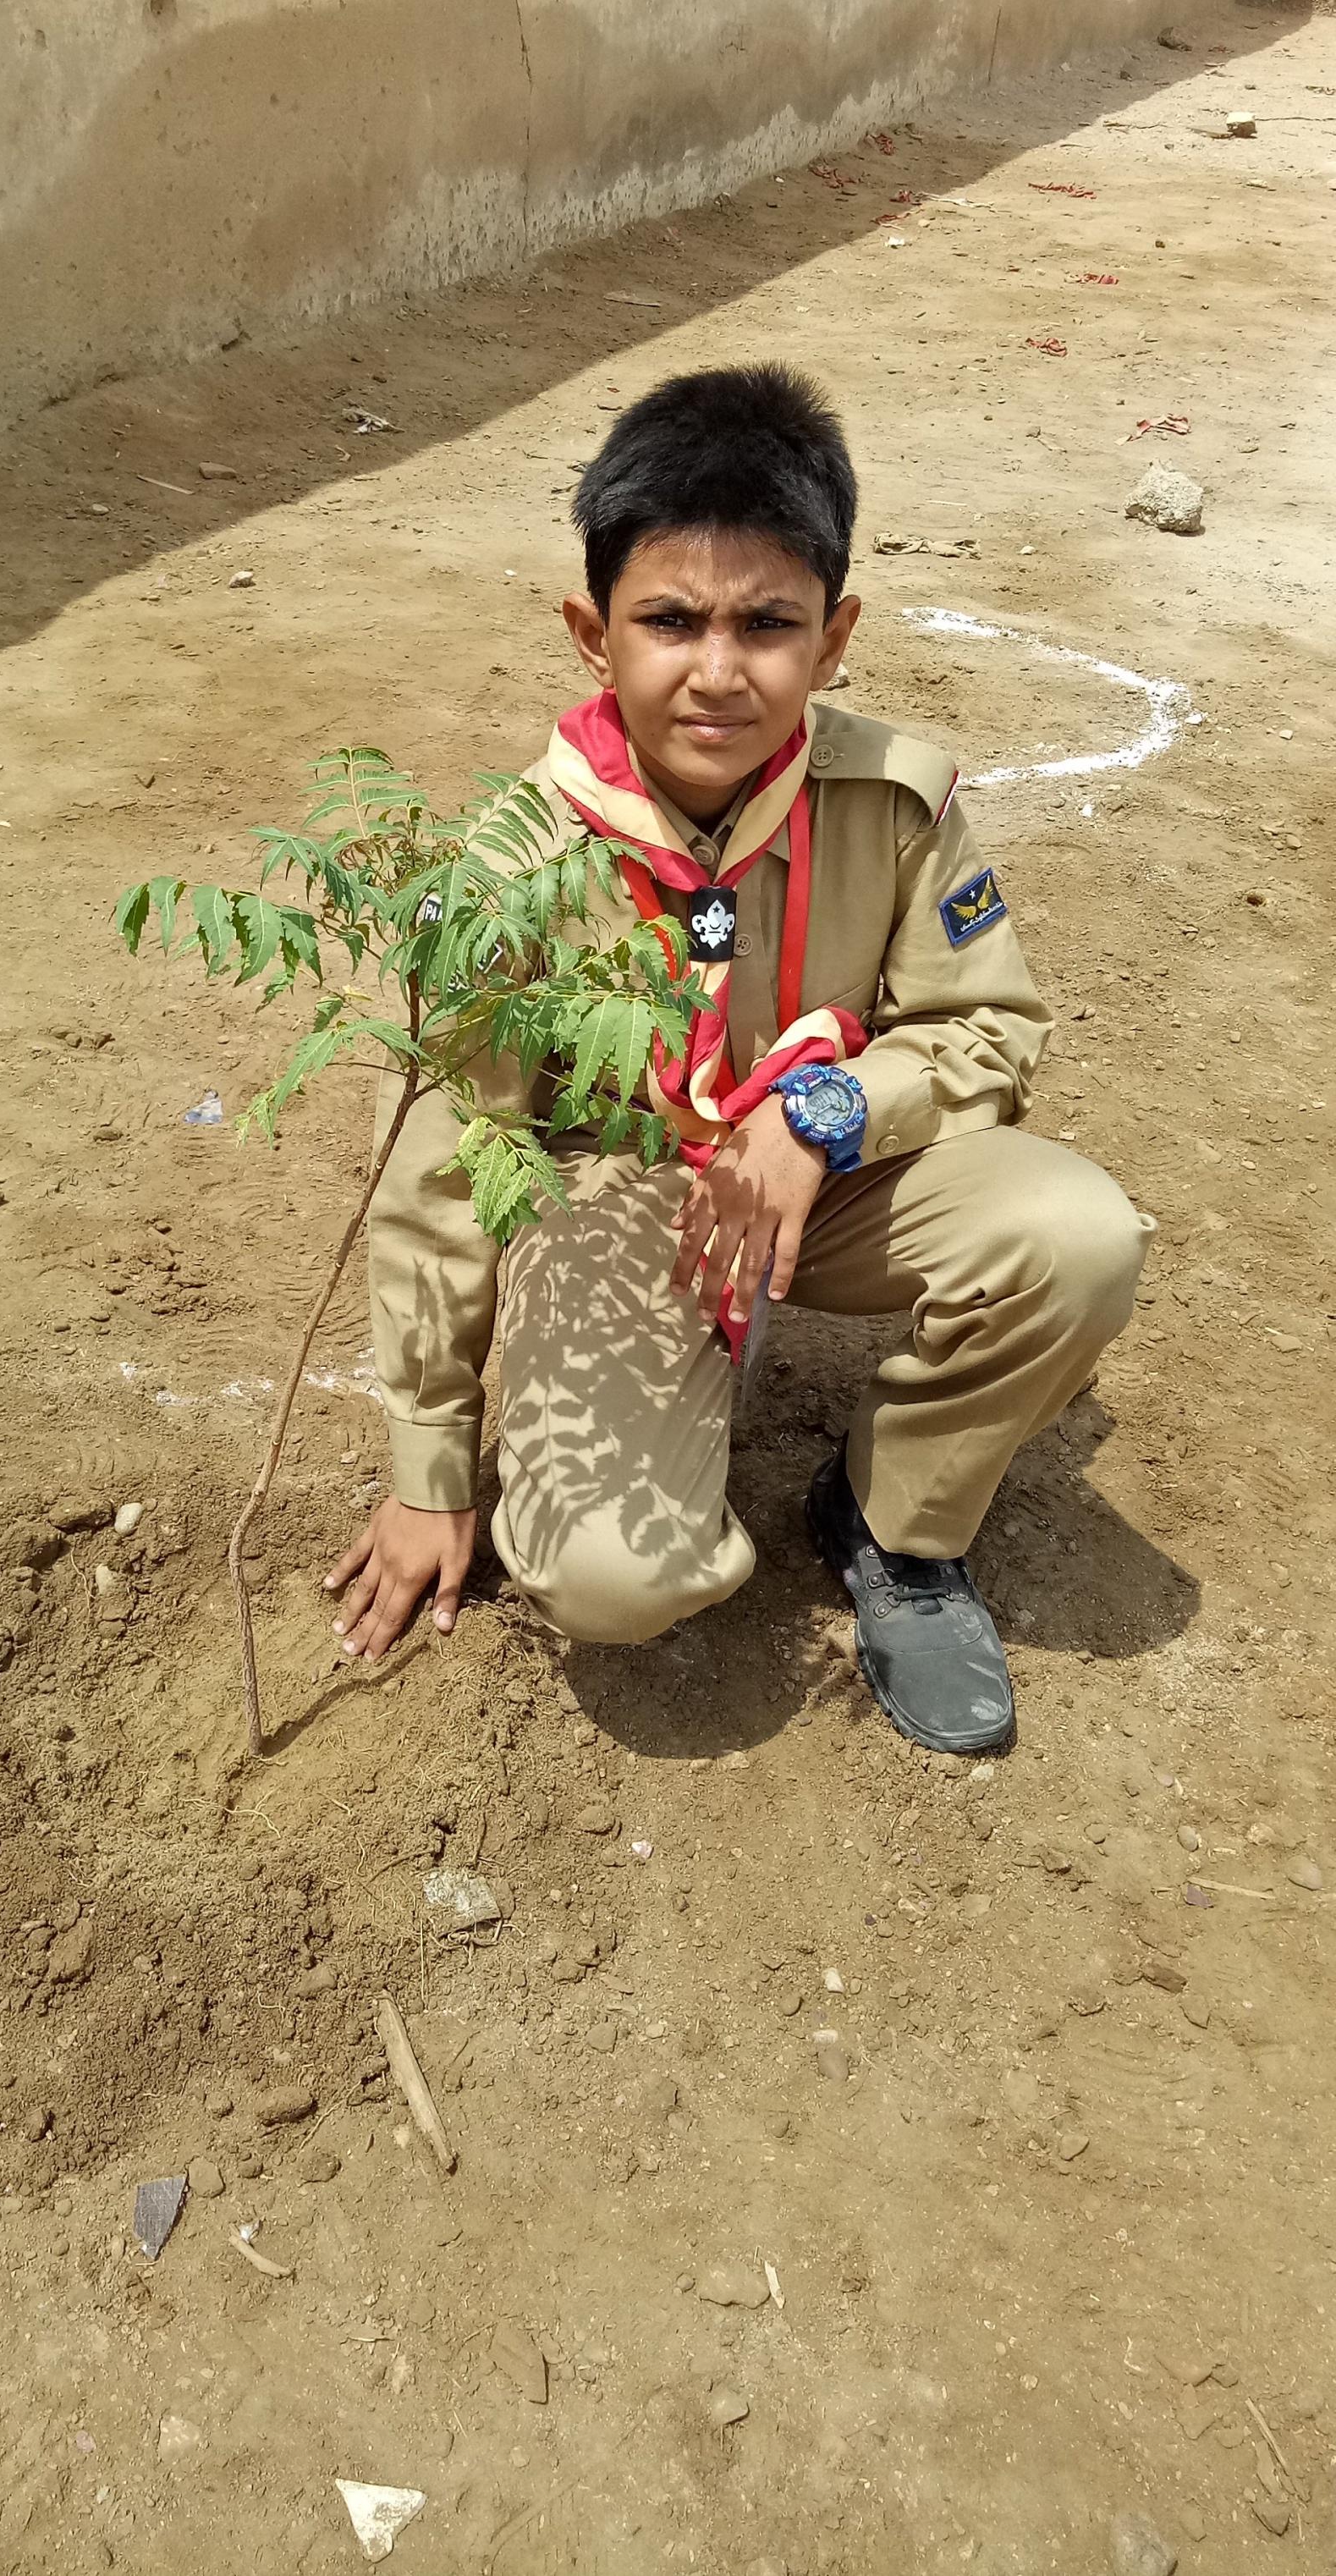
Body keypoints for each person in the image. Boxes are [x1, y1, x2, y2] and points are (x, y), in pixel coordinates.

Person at [323, 365, 1152, 1752]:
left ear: (833, 638)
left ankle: (894, 1521)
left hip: (818, 1183)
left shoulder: (897, 800)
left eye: (769, 622)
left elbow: (989, 1027)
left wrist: (828, 1112)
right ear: (594, 633)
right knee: (607, 1582)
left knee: (1078, 1236)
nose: (719, 669)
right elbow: (451, 1160)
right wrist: (426, 1463)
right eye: (670, 619)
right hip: (620, 1201)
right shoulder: (512, 867)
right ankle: (656, 1422)